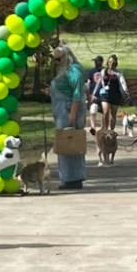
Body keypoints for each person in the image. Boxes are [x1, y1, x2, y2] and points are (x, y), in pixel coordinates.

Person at [47, 44, 87, 189]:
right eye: (55, 60)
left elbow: (77, 94)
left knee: (69, 143)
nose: (56, 62)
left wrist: (72, 114)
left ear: (66, 56)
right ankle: (69, 177)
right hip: (61, 109)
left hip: (68, 110)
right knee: (65, 144)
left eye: (58, 59)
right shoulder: (65, 70)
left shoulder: (74, 70)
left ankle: (72, 178)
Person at [97, 55, 129, 164]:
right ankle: (105, 129)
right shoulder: (103, 72)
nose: (111, 64)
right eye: (110, 62)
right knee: (105, 111)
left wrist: (125, 93)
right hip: (105, 94)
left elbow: (123, 83)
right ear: (107, 63)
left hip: (115, 95)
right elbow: (99, 82)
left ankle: (111, 130)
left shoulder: (118, 73)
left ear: (116, 63)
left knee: (113, 114)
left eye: (114, 62)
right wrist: (94, 93)